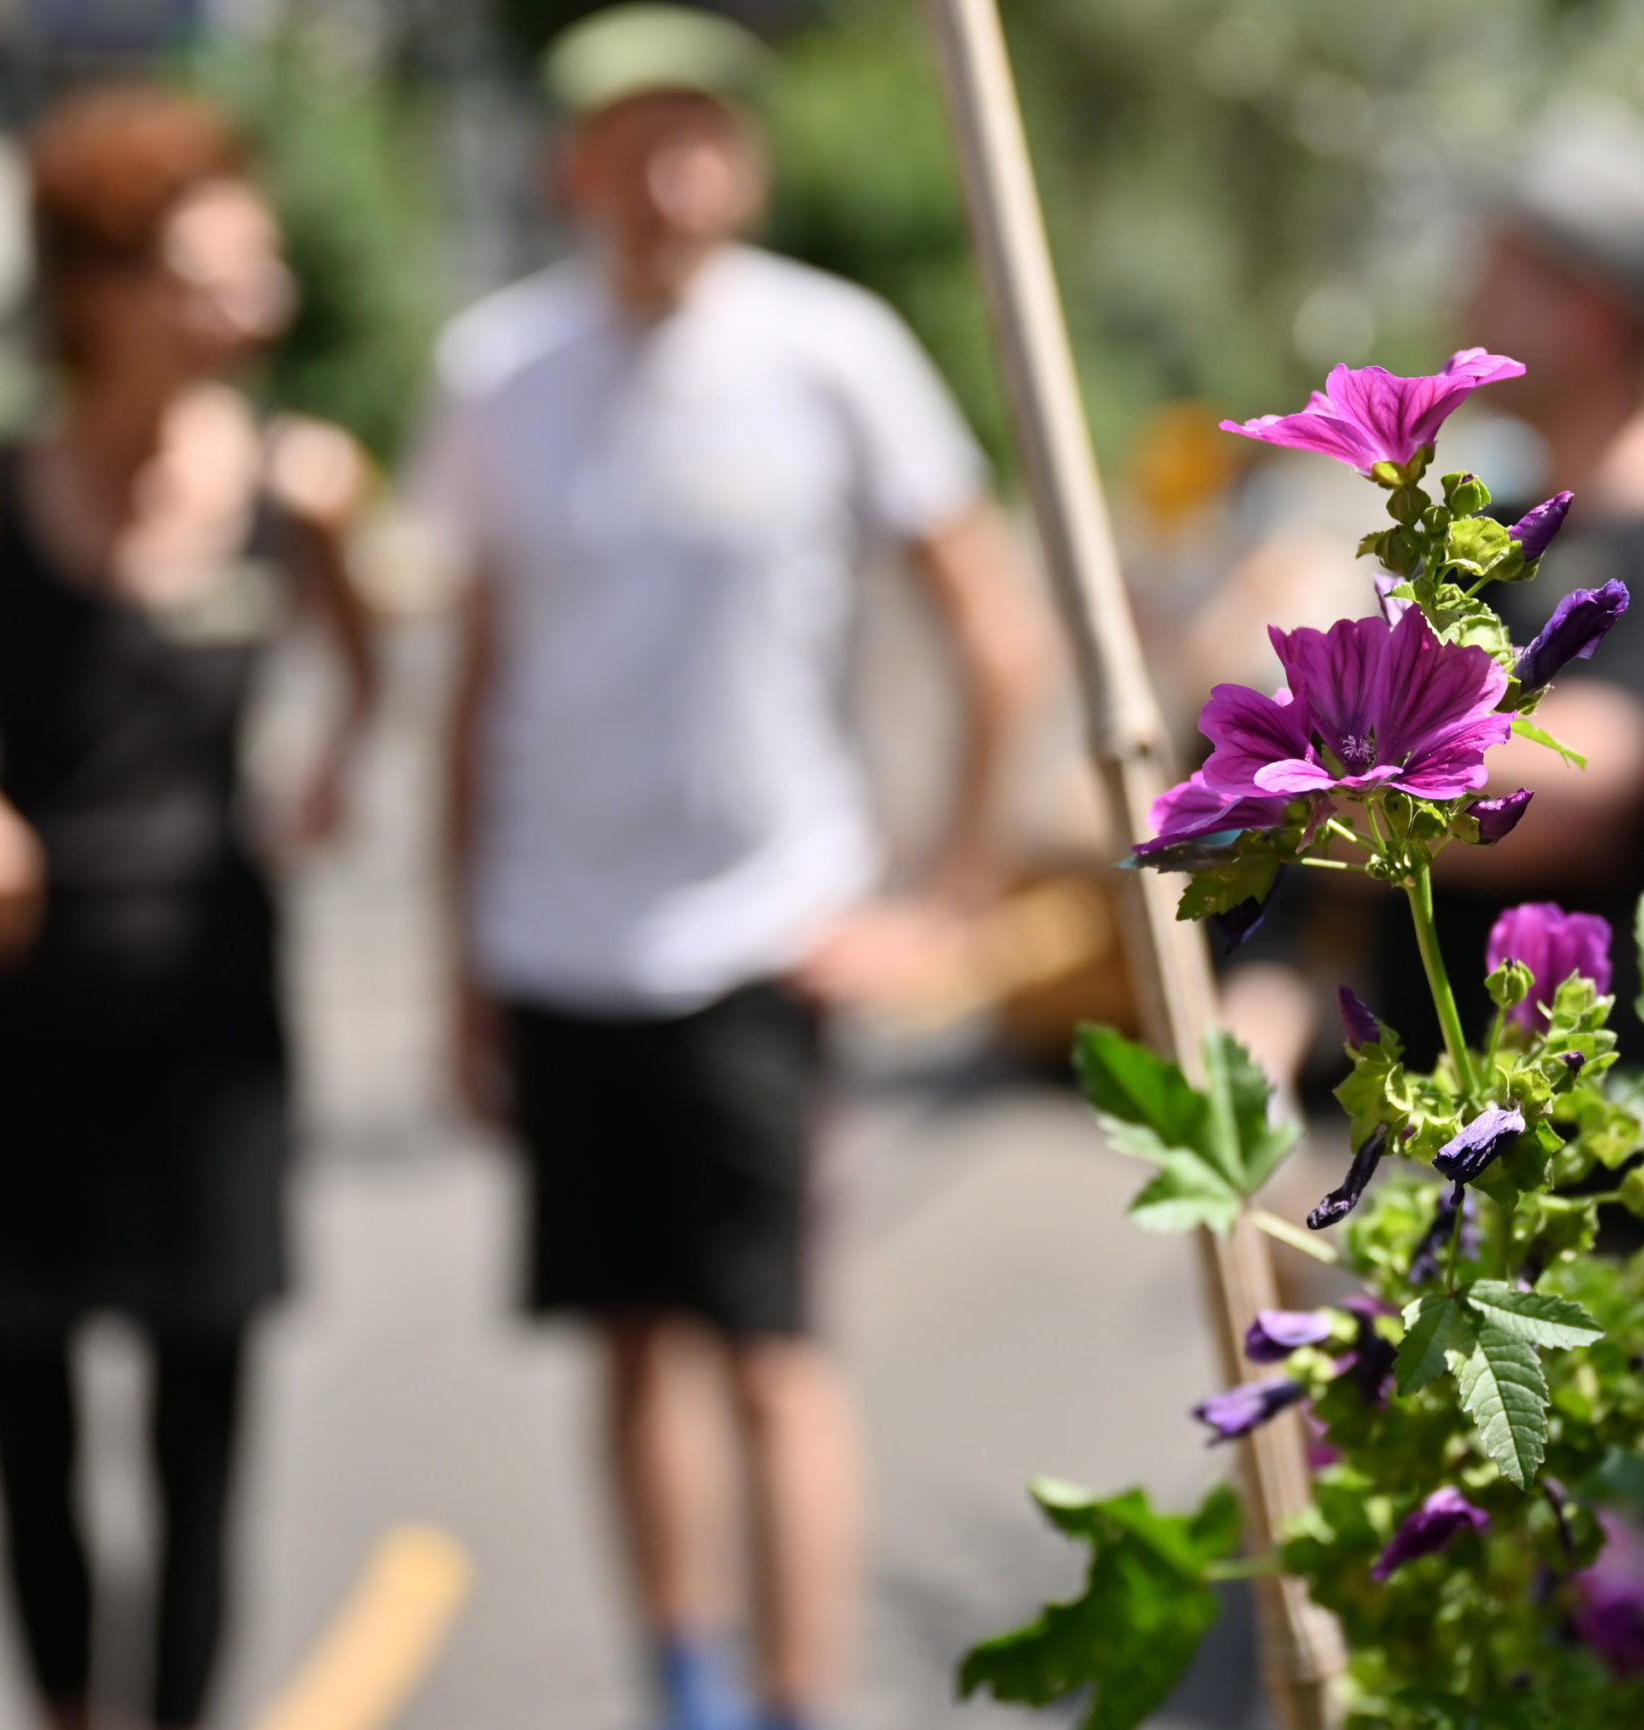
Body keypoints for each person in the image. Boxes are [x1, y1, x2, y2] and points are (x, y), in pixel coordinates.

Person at [409, 9, 1036, 1729]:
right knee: (627, 1337)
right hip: (558, 931)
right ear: (575, 171)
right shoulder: (501, 375)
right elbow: (470, 686)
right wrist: (455, 953)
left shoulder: (832, 352)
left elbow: (994, 632)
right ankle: (682, 1680)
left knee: (771, 1352)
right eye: (633, 141)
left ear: (742, 166)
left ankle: (796, 1694)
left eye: (701, 138)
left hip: (761, 930)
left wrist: (941, 892)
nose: (670, 177)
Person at [0, 87, 376, 1730]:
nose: (254, 299)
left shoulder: (301, 482)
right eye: (211, 266)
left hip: (212, 1017)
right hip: (21, 1015)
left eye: (256, 265)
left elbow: (371, 668)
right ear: (99, 290)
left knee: (203, 1423)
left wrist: (335, 765)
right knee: (23, 1414)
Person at [1373, 103, 1644, 1063]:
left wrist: (1300, 770)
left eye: (1496, 265)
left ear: (1591, 312)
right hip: (1445, 1137)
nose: (1460, 296)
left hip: (1604, 1158)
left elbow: (1568, 806)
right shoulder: (1500, 525)